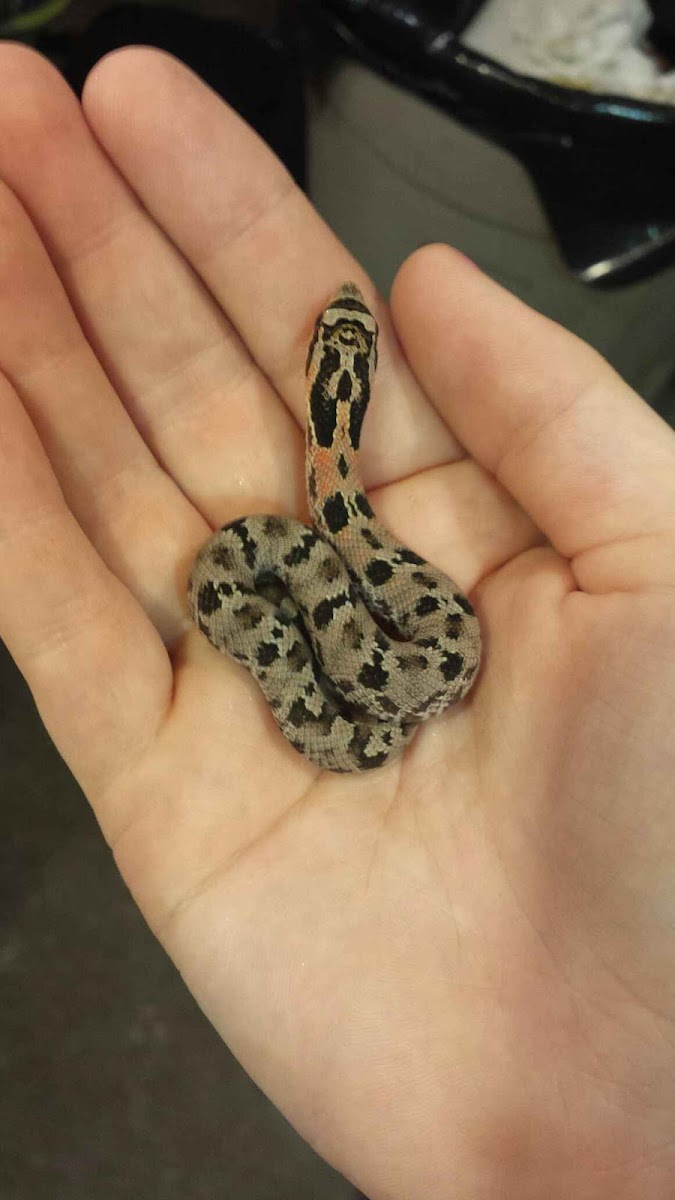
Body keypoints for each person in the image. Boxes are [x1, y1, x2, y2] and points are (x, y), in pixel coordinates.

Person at [0, 41, 674, 1200]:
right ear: (335, 394)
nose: (338, 343)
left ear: (326, 387)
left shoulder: (339, 520)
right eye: (339, 347)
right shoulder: (335, 526)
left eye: (336, 351)